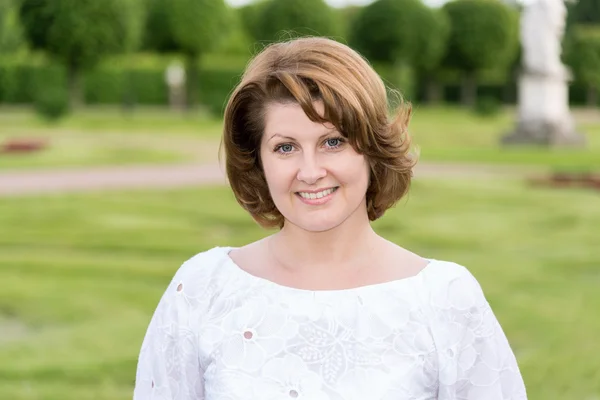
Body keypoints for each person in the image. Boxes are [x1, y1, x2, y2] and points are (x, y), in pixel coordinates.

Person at [133, 37, 527, 399]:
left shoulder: (446, 298)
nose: (310, 171)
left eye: (332, 142)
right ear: (258, 162)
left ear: (373, 149)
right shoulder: (202, 290)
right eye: (285, 147)